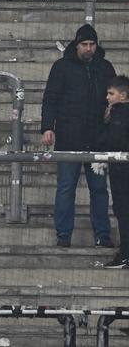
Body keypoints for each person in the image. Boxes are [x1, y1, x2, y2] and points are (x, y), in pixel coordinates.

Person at [42, 24, 117, 247]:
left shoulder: (105, 68)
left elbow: (114, 98)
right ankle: (63, 235)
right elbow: (50, 99)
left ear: (96, 45)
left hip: (98, 140)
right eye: (84, 44)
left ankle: (102, 235)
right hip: (68, 139)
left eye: (91, 44)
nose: (88, 49)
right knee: (66, 187)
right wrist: (48, 127)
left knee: (99, 189)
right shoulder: (61, 67)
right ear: (76, 45)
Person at [102, 76, 129, 268]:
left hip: (122, 170)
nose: (107, 97)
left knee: (123, 210)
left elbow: (115, 141)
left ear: (123, 95)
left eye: (111, 93)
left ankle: (125, 254)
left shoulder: (120, 113)